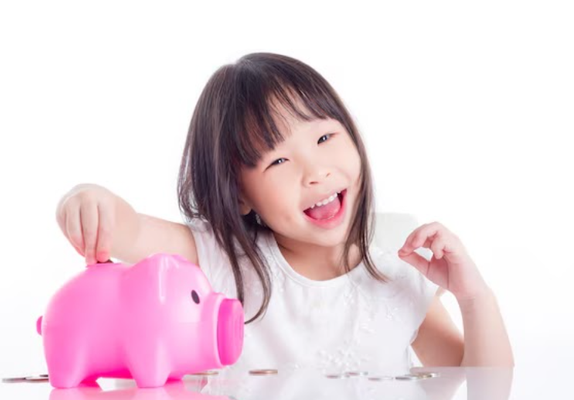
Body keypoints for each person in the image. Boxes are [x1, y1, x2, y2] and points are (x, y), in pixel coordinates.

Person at [55, 53, 514, 374]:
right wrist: (87, 197)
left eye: (325, 138)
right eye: (278, 161)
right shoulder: (221, 259)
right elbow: (130, 231)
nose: (315, 172)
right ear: (240, 195)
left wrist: (474, 297)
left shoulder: (398, 278)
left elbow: (483, 385)